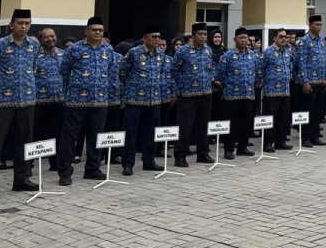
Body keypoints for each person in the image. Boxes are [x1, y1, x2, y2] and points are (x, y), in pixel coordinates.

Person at [0, 9, 40, 200]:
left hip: (27, 101)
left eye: (27, 23)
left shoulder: (34, 45)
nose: (23, 26)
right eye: (20, 23)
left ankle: (21, 180)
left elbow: (34, 68)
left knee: (24, 144)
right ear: (11, 25)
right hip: (2, 103)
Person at [56, 16, 117, 186]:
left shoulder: (108, 49)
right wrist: (68, 92)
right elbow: (64, 71)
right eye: (94, 30)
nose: (97, 32)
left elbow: (112, 73)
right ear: (86, 31)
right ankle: (65, 171)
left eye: (100, 30)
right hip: (76, 101)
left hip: (100, 101)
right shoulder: (74, 49)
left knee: (96, 136)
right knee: (70, 137)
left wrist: (112, 96)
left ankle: (92, 169)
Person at [119, 25, 166, 175]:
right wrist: (132, 87)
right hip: (135, 100)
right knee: (131, 133)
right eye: (154, 37)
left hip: (154, 100)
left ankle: (149, 161)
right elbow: (122, 72)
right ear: (145, 39)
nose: (157, 40)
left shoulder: (161, 54)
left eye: (158, 37)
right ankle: (128, 164)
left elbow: (161, 73)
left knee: (150, 132)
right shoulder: (134, 52)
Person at [171, 22, 216, 167]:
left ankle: (203, 154)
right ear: (193, 36)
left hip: (206, 93)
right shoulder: (183, 51)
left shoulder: (208, 50)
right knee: (185, 126)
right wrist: (179, 87)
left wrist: (211, 78)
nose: (203, 37)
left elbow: (211, 68)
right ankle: (180, 155)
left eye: (205, 34)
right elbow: (174, 71)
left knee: (203, 125)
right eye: (200, 34)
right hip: (187, 94)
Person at [214, 27, 260, 159]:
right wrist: (229, 85)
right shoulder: (227, 56)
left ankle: (242, 148)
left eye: (245, 38)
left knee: (246, 123)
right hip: (231, 96)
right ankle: (228, 149)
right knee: (231, 124)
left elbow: (257, 73)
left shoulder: (253, 55)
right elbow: (219, 75)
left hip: (249, 94)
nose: (243, 40)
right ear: (235, 39)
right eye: (240, 38)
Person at [32, 28, 64, 172]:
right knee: (35, 134)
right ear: (40, 39)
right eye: (46, 37)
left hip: (59, 102)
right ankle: (28, 166)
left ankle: (55, 163)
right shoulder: (34, 55)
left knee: (56, 134)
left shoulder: (63, 54)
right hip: (38, 102)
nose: (50, 39)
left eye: (52, 36)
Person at [295, 15, 326, 147]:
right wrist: (305, 82)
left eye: (320, 24)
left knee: (318, 111)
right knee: (307, 110)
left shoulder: (322, 40)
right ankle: (305, 138)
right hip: (309, 82)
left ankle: (315, 136)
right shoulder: (304, 41)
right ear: (309, 25)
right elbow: (301, 62)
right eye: (316, 24)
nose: (319, 27)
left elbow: (324, 60)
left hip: (321, 82)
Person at [260, 28, 294, 152]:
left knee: (283, 118)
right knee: (270, 119)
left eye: (285, 37)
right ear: (274, 38)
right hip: (271, 91)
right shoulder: (268, 52)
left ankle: (281, 141)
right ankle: (268, 143)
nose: (284, 39)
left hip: (285, 91)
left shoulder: (288, 51)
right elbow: (260, 69)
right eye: (281, 36)